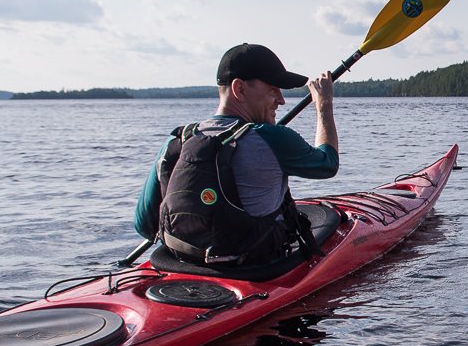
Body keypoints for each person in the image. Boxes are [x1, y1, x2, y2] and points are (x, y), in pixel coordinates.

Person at [134, 43, 338, 268]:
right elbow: (327, 163)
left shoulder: (177, 140)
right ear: (239, 89)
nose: (281, 100)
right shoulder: (273, 138)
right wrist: (324, 104)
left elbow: (144, 225)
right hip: (252, 268)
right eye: (273, 89)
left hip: (180, 263)